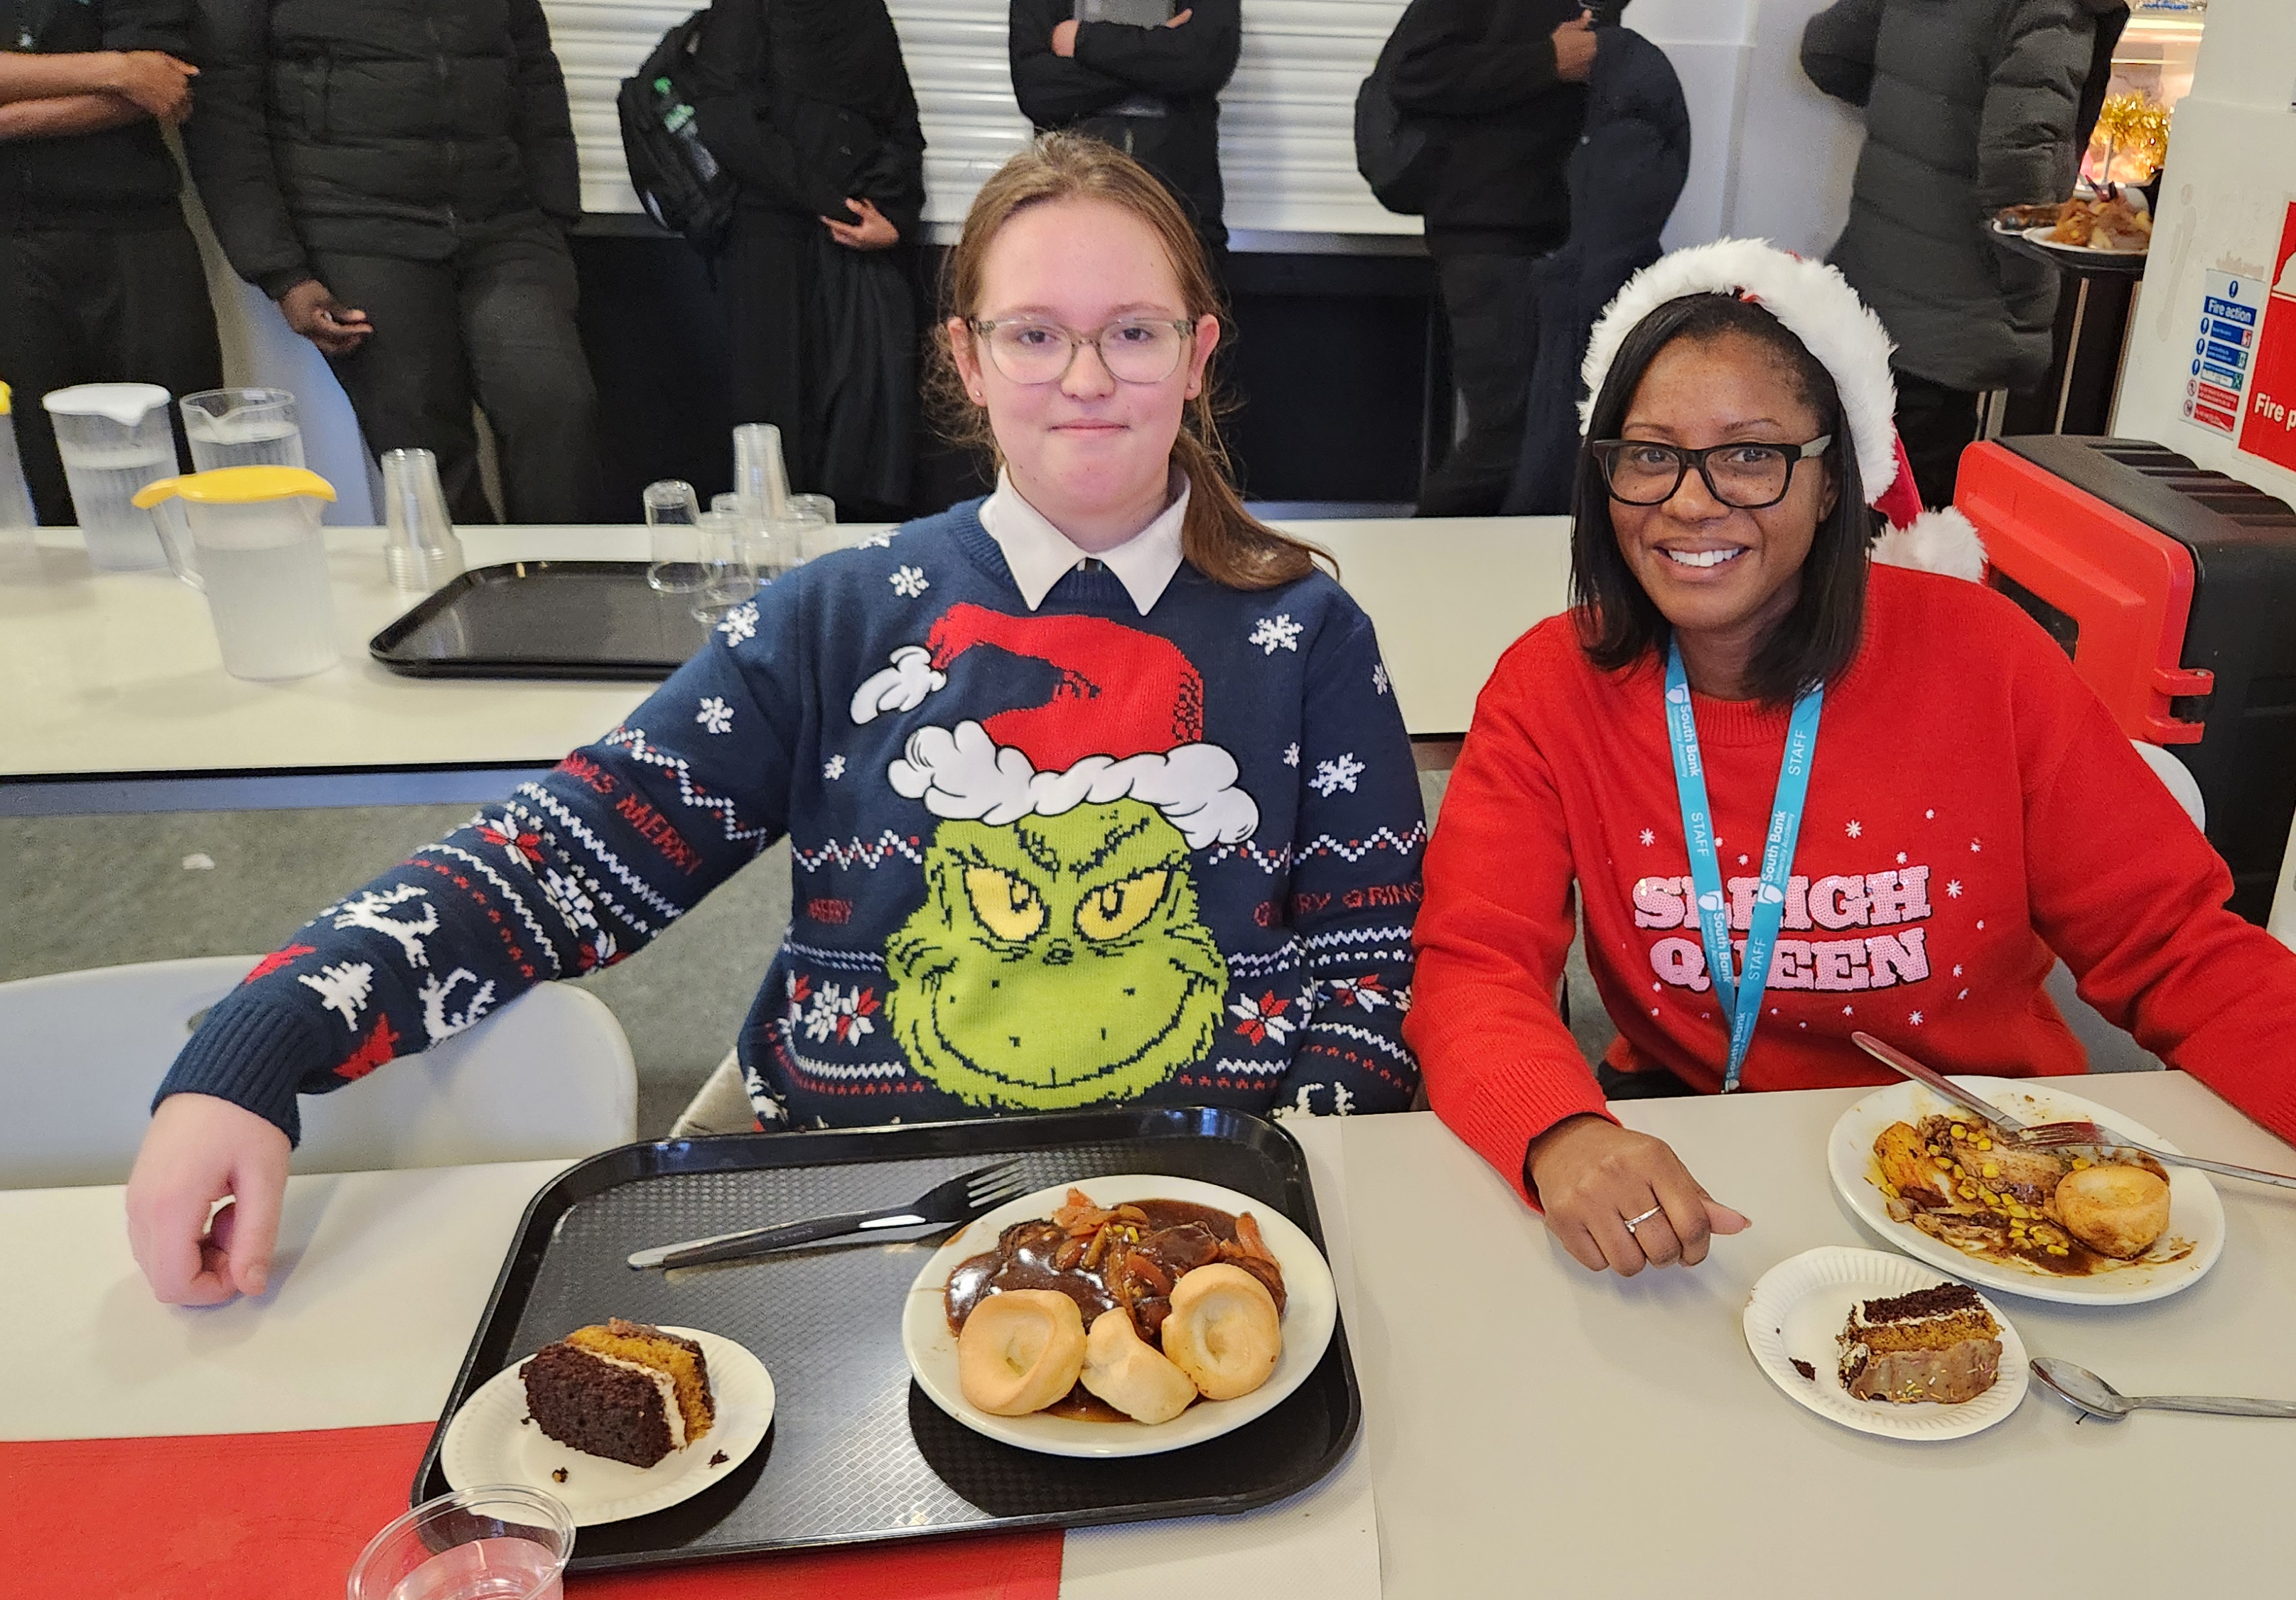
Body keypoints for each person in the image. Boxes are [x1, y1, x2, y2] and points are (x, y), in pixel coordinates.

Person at [125, 134, 1429, 1307]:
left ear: (1199, 354)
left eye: (1134, 332)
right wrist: (262, 1039)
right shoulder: (836, 619)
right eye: (1034, 333)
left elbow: (1370, 968)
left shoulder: (1306, 633)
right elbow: (571, 848)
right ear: (966, 359)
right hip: (861, 1216)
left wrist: (1264, 1209)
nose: (1085, 377)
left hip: (1195, 1228)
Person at [1408, 239, 2296, 1278]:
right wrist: (1563, 1131)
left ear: (1833, 480)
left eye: (1752, 456)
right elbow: (1475, 971)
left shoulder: (1984, 657)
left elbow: (2177, 950)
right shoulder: (1554, 684)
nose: (1690, 503)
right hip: (1706, 1175)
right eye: (1649, 455)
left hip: (2002, 1173)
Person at [182, 0, 600, 525]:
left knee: (555, 405)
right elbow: (223, 108)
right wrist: (281, 273)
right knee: (423, 455)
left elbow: (534, 67)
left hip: (505, 223)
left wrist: (555, 210)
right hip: (354, 225)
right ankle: (469, 598)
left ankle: (563, 588)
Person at [1799, 0, 2127, 509]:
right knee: (1911, 522)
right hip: (1956, 310)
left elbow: (1826, 51)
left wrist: (1911, 108)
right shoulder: (2050, 8)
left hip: (1871, 283)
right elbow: (2022, 179)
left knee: (1853, 498)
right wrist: (2022, 292)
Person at [689, 0, 927, 521]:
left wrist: (894, 220)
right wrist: (829, 202)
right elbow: (727, 123)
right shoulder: (747, 10)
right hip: (768, 245)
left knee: (861, 439)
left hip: (859, 251)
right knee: (776, 441)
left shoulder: (863, 12)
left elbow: (903, 129)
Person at [0, 0, 222, 525]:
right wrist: (116, 70)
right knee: (45, 470)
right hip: (7, 243)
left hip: (139, 230)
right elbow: (139, 76)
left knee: (181, 461)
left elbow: (166, 84)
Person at [1386, 0, 1590, 517]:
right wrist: (1547, 59)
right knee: (1509, 439)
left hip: (1555, 238)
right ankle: (1406, 575)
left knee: (1545, 436)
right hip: (1490, 237)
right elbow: (1412, 73)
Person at [1499, 2, 1686, 515]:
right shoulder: (1632, 70)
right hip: (1582, 269)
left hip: (1575, 270)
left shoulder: (1624, 69)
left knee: (1516, 445)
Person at [1010, 0, 1238, 266]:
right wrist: (1159, 54)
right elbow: (1038, 91)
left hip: (1186, 226)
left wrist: (1082, 41)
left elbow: (1203, 62)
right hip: (1063, 224)